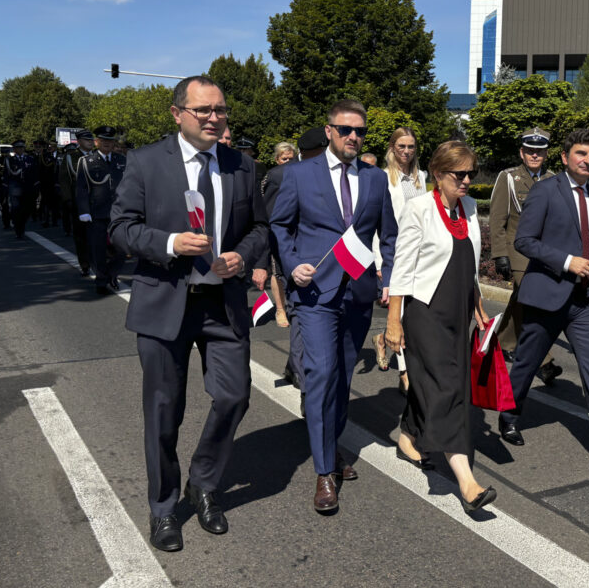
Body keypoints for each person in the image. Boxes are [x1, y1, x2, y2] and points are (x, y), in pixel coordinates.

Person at [109, 75, 268, 553]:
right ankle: (163, 508)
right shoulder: (144, 163)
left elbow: (261, 227)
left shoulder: (242, 165)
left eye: (220, 109)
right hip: (165, 303)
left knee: (234, 396)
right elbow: (120, 229)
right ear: (178, 114)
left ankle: (203, 481)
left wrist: (244, 255)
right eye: (203, 111)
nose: (214, 118)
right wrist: (170, 243)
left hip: (222, 304)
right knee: (163, 412)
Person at [270, 100, 398, 514]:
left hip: (358, 294)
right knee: (322, 374)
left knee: (342, 377)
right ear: (328, 131)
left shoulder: (376, 179)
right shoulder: (298, 174)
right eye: (345, 130)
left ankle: (332, 445)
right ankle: (325, 470)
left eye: (359, 131)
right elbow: (280, 226)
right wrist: (292, 265)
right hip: (314, 295)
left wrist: (389, 277)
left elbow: (389, 235)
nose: (353, 138)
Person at [498, 128, 589, 475]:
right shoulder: (545, 190)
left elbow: (586, 243)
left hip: (584, 300)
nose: (588, 161)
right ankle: (508, 415)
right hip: (547, 294)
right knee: (526, 364)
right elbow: (525, 241)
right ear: (565, 157)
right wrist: (567, 261)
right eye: (581, 154)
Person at [386, 140, 496, 513]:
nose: (466, 181)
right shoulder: (418, 208)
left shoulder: (469, 207)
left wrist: (477, 301)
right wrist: (393, 321)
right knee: (448, 389)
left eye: (471, 173)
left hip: (459, 312)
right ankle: (466, 481)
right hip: (425, 314)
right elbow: (402, 266)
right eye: (458, 174)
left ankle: (408, 435)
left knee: (441, 384)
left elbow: (471, 260)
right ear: (437, 174)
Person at [252, 130, 326, 389]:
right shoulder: (280, 176)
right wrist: (265, 262)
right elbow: (270, 222)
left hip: (321, 259)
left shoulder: (333, 174)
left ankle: (295, 368)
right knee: (299, 315)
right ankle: (303, 381)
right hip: (292, 257)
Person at [489, 127, 561, 383]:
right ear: (521, 152)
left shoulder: (554, 179)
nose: (534, 155)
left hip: (543, 253)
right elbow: (498, 219)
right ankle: (544, 360)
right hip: (517, 251)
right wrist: (500, 254)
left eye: (539, 151)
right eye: (530, 151)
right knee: (531, 300)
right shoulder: (508, 178)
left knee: (520, 301)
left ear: (546, 154)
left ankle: (501, 342)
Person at [372, 127, 428, 388]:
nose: (407, 151)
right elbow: (377, 225)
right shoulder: (382, 178)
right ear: (392, 148)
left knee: (412, 313)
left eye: (411, 146)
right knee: (401, 310)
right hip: (395, 253)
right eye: (401, 146)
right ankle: (405, 372)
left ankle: (383, 339)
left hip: (421, 253)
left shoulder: (422, 177)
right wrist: (379, 262)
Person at [76, 126, 127, 295]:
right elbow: (81, 188)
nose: (107, 144)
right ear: (97, 142)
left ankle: (111, 273)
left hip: (119, 212)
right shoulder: (86, 162)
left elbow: (130, 186)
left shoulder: (122, 160)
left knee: (122, 249)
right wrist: (84, 210)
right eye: (103, 140)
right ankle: (101, 280)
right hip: (96, 212)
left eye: (110, 141)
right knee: (97, 250)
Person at [61, 131, 94, 273]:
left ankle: (98, 260)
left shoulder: (97, 156)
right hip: (79, 201)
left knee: (98, 233)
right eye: (86, 140)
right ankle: (85, 263)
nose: (90, 142)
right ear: (79, 141)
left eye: (91, 139)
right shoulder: (71, 157)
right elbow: (64, 179)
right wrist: (68, 198)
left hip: (97, 200)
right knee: (81, 234)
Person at [2, 139, 39, 239]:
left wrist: (36, 187)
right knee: (16, 208)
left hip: (28, 188)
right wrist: (5, 189)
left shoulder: (30, 159)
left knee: (27, 209)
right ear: (14, 149)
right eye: (18, 148)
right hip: (15, 187)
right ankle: (19, 229)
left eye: (22, 147)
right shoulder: (10, 160)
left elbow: (35, 174)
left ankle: (21, 223)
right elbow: (6, 175)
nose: (21, 149)